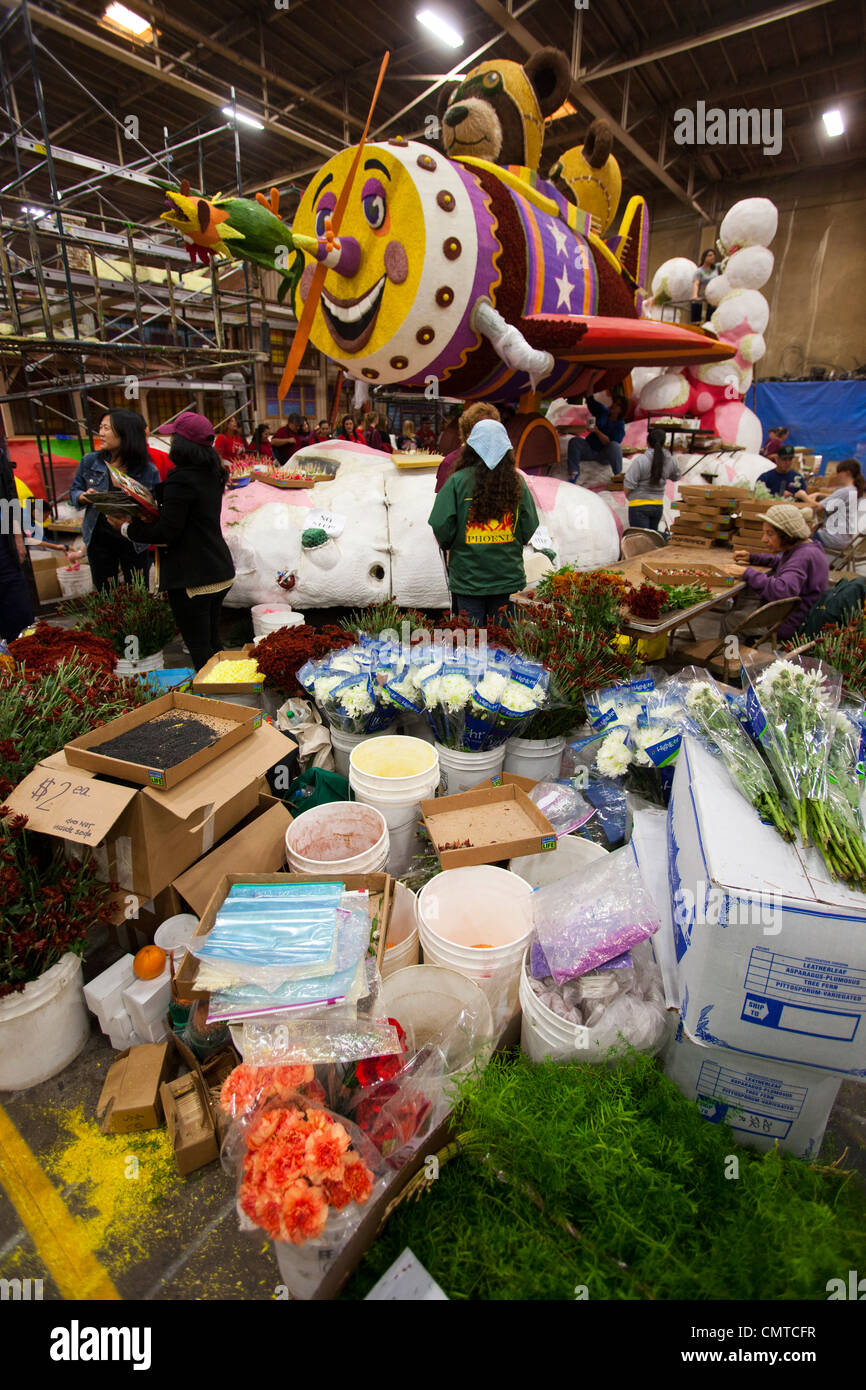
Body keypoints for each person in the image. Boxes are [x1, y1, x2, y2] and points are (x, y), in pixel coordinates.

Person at [106, 412, 235, 670]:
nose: (171, 442)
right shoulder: (213, 473)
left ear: (183, 444)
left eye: (174, 437)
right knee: (212, 644)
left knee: (200, 649)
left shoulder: (182, 479)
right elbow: (188, 519)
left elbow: (167, 533)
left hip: (194, 577)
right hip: (219, 570)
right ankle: (228, 693)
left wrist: (126, 529)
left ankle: (215, 701)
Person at [428, 418, 539, 626]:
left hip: (468, 578)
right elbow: (530, 523)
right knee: (503, 648)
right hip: (506, 577)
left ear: (471, 449)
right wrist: (513, 543)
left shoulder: (457, 482)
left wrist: (452, 544)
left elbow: (441, 525)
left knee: (471, 645)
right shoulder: (517, 482)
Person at [69, 409, 161, 592]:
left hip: (133, 539)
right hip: (99, 539)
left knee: (137, 592)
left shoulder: (147, 470)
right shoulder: (90, 461)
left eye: (107, 428)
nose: (101, 433)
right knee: (105, 594)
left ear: (126, 433)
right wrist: (83, 496)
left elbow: (155, 510)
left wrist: (135, 515)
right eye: (100, 427)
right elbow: (74, 492)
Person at [722, 503, 829, 640]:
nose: (764, 539)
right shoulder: (808, 547)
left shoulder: (802, 557)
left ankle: (729, 660)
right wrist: (753, 557)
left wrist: (747, 573)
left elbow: (782, 590)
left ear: (787, 535)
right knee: (744, 606)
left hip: (788, 623)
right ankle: (744, 654)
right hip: (799, 614)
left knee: (731, 619)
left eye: (770, 534)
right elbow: (784, 564)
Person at [0, 446, 34, 640]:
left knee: (17, 609)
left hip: (3, 540)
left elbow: (8, 496)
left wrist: (17, 536)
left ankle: (22, 658)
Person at [800, 459, 865, 553]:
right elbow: (837, 498)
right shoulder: (854, 491)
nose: (837, 476)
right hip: (844, 539)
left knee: (797, 538)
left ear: (847, 473)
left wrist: (803, 495)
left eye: (838, 472)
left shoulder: (844, 491)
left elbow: (817, 508)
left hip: (832, 538)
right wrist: (818, 494)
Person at [435, 401, 501, 493]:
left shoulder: (501, 461)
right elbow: (443, 503)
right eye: (482, 430)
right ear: (468, 434)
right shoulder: (450, 462)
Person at [623, 428, 680, 530]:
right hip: (657, 506)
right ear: (663, 443)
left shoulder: (641, 460)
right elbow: (676, 476)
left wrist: (630, 497)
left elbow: (628, 485)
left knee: (642, 541)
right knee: (652, 541)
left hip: (638, 506)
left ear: (647, 442)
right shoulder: (670, 460)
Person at [567, 396, 626, 487]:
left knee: (615, 446)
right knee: (575, 441)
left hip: (603, 455)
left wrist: (597, 431)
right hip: (590, 449)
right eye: (614, 403)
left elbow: (608, 443)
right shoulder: (604, 412)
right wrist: (591, 382)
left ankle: (618, 476)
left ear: (621, 410)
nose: (614, 405)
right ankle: (573, 473)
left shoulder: (620, 425)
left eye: (617, 405)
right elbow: (590, 399)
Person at [690, 249, 718, 323]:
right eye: (710, 255)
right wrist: (695, 296)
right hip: (701, 299)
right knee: (697, 321)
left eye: (713, 255)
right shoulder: (699, 271)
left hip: (712, 300)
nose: (713, 257)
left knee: (709, 321)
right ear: (704, 258)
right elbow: (696, 283)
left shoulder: (716, 269)